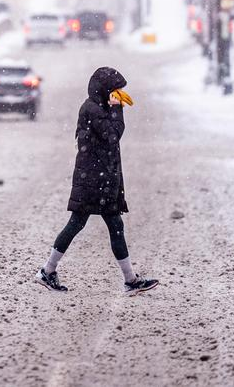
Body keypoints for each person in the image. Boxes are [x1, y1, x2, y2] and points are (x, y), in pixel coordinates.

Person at [35, 67, 159, 295]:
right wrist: (117, 109)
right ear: (105, 90)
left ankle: (49, 270)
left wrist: (113, 108)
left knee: (99, 225)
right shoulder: (93, 109)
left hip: (99, 179)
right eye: (116, 90)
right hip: (94, 181)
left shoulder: (96, 107)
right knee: (88, 224)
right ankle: (128, 280)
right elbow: (113, 136)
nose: (119, 94)